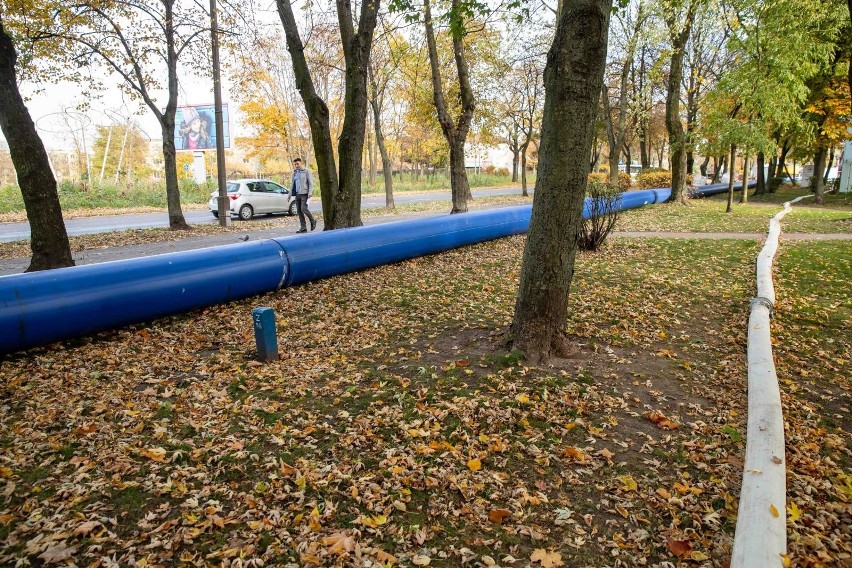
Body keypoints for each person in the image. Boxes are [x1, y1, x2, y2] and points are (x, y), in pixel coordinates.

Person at [290, 158, 317, 232]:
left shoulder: (306, 171)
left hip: (304, 193)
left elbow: (310, 183)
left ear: (301, 163)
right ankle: (303, 227)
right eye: (295, 164)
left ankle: (313, 220)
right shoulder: (295, 173)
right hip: (297, 194)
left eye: (297, 164)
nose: (296, 165)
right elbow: (292, 184)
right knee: (299, 210)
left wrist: (310, 192)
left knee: (303, 208)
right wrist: (290, 194)